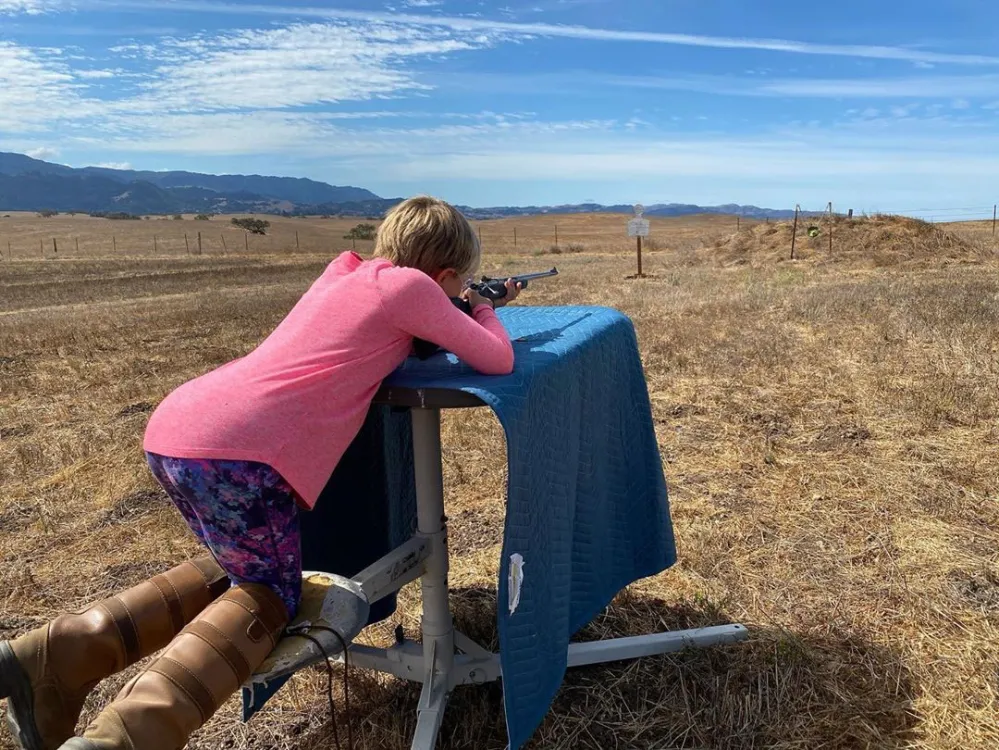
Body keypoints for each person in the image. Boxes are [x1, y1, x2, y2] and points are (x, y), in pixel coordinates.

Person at [0, 196, 520, 750]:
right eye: (452, 282)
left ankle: (55, 656)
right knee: (270, 600)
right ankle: (127, 737)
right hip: (240, 455)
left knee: (241, 573)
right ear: (443, 273)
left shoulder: (344, 273)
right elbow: (497, 358)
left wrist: (455, 301)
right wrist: (480, 305)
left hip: (184, 431)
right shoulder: (413, 289)